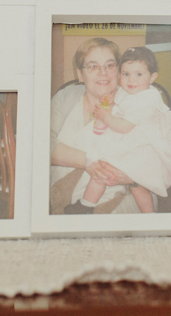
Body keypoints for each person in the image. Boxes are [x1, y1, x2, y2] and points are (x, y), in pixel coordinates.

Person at [69, 47, 171, 214]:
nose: (131, 80)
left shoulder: (146, 99)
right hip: (131, 143)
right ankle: (86, 205)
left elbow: (124, 126)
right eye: (126, 74)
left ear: (152, 77)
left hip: (142, 148)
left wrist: (105, 116)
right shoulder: (129, 92)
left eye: (139, 74)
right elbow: (120, 107)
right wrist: (109, 104)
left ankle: (89, 205)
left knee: (111, 172)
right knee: (111, 175)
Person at [48, 38, 141, 214]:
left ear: (119, 71)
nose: (103, 73)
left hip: (119, 196)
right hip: (59, 197)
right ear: (80, 75)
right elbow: (42, 144)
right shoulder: (65, 98)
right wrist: (88, 160)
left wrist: (131, 177)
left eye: (110, 65)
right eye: (93, 66)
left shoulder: (135, 104)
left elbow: (156, 154)